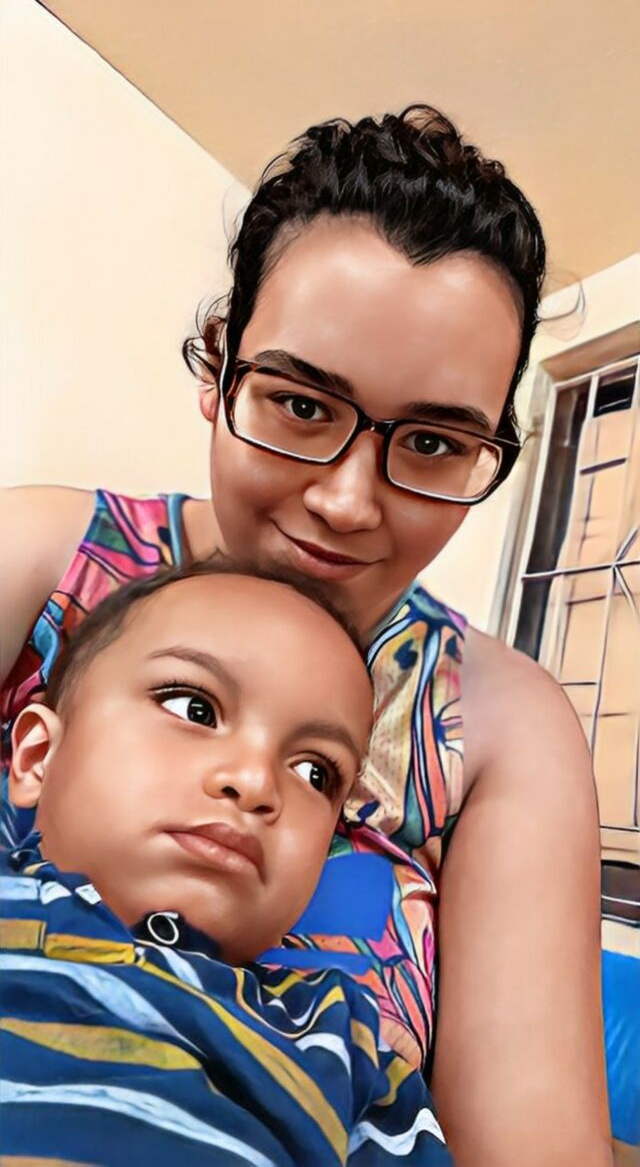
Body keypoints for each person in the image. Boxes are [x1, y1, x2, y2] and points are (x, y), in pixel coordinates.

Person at [0, 105, 612, 1166]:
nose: (345, 501)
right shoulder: (39, 557)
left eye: (432, 442)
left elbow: (532, 1141)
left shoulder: (502, 725)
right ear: (218, 370)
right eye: (299, 404)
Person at [1, 558, 453, 1166]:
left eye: (314, 772)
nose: (255, 782)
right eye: (194, 708)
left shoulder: (346, 1043)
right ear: (37, 756)